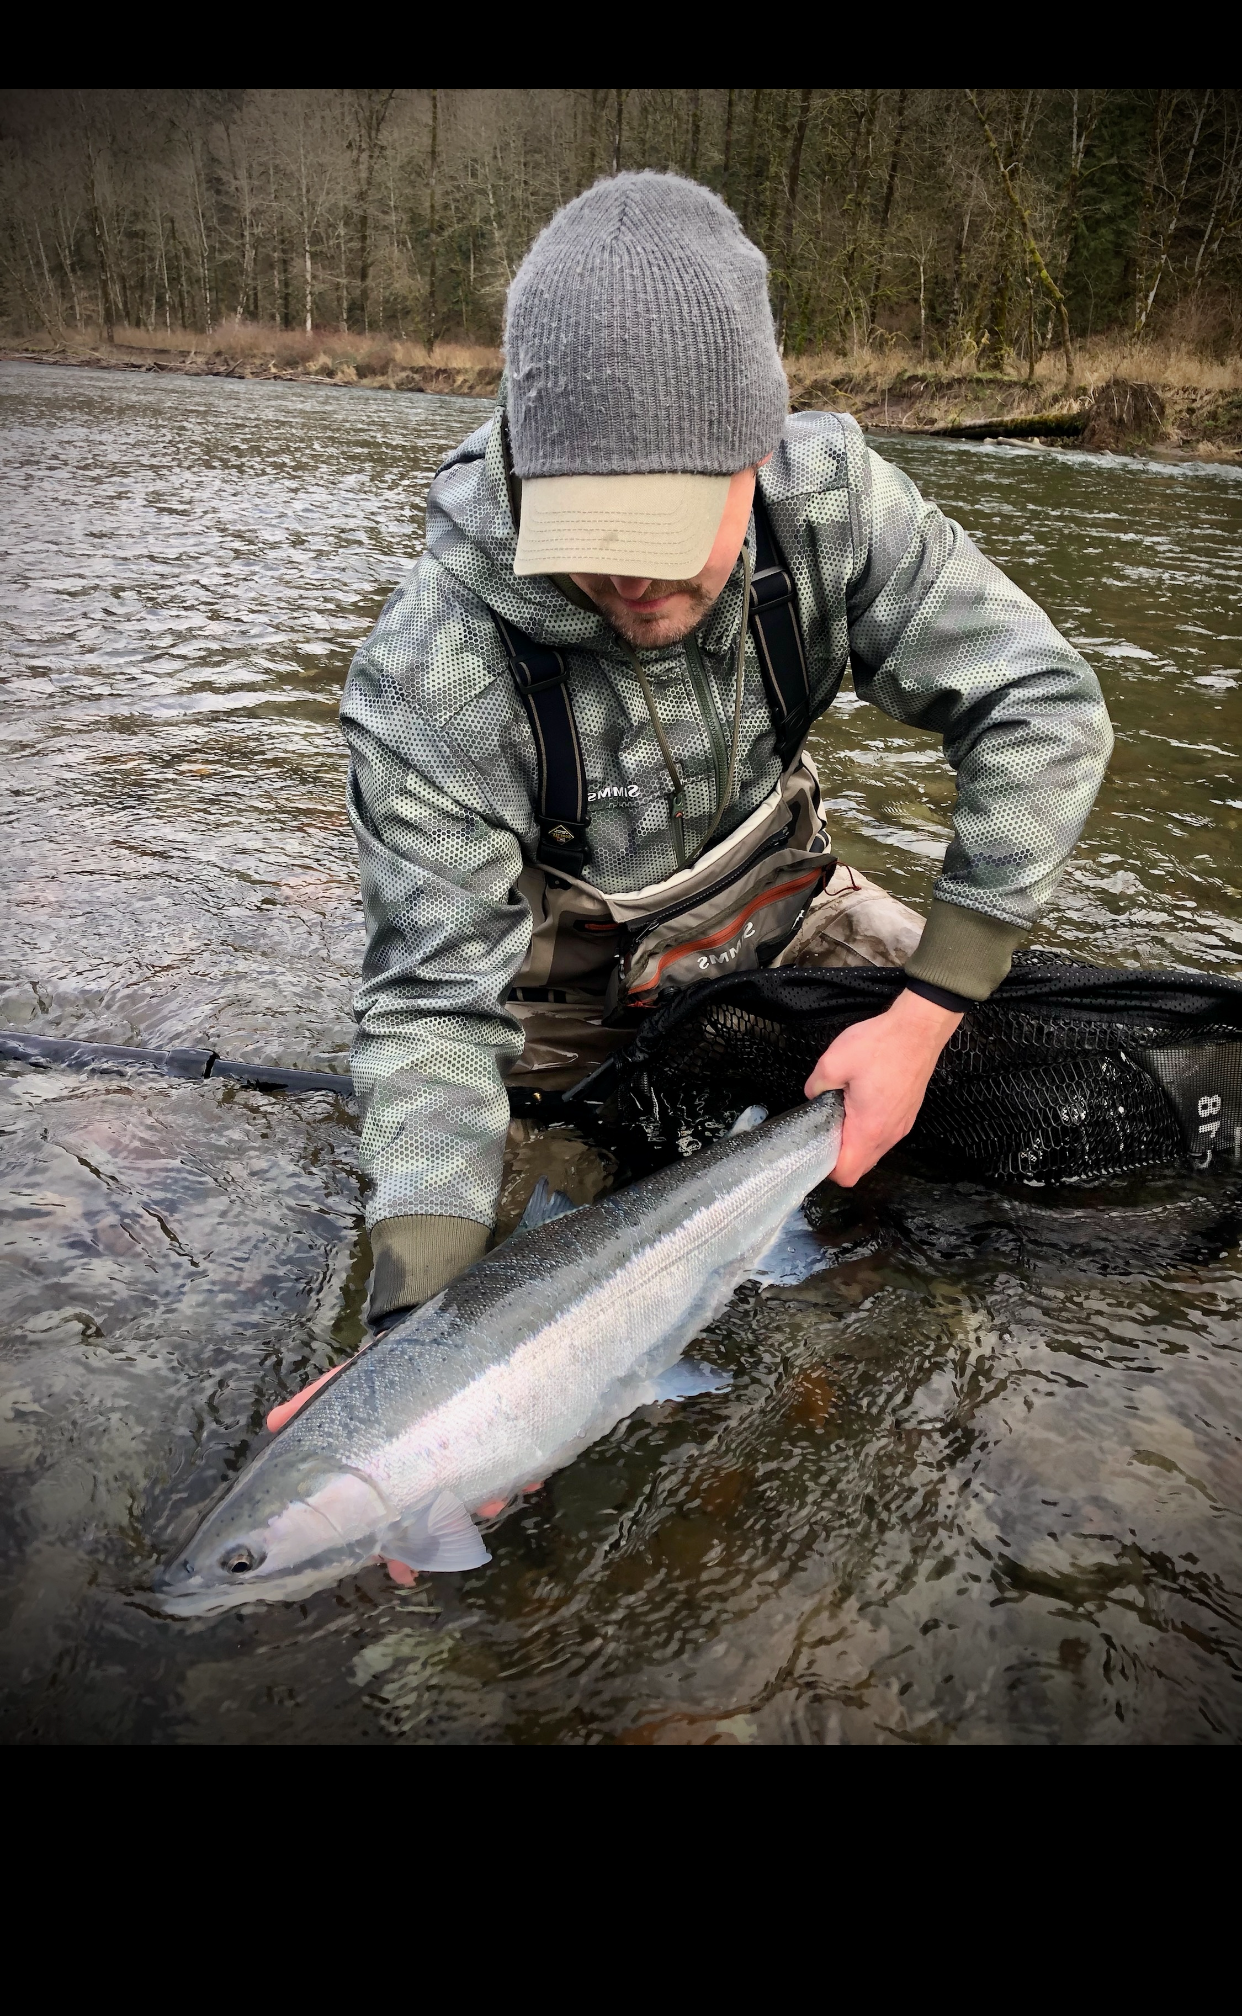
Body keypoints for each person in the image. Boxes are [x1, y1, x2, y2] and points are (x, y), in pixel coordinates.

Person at [341, 173, 1112, 1326]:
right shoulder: (432, 667)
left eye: (661, 525)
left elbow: (1040, 705)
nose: (631, 578)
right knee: (509, 1316)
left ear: (759, 454)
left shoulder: (834, 508)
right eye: (590, 531)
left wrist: (927, 1013)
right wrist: (417, 1335)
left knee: (1049, 1105)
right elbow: (436, 1013)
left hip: (785, 910)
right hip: (556, 1021)